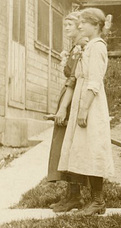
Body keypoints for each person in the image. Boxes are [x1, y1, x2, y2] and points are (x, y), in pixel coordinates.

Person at [58, 8, 114, 216]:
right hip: (83, 99)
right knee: (83, 149)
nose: (80, 26)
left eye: (84, 23)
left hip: (91, 103)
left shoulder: (98, 47)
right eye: (79, 22)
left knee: (93, 149)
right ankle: (91, 200)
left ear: (96, 25)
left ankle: (98, 201)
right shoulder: (88, 46)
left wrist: (83, 109)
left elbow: (95, 80)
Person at [48, 11, 89, 213]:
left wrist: (64, 107)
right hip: (68, 97)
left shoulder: (82, 47)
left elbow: (74, 80)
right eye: (64, 25)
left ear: (80, 26)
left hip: (73, 100)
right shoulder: (74, 48)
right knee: (65, 146)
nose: (66, 29)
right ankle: (71, 194)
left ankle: (75, 196)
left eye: (69, 25)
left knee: (70, 145)